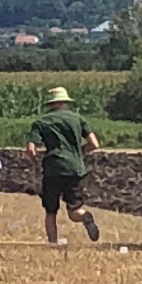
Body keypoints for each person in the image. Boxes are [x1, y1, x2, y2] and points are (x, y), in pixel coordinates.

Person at [26, 87, 100, 244]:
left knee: (51, 211)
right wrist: (80, 152)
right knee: (74, 211)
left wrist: (34, 162)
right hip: (74, 168)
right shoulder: (78, 119)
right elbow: (94, 143)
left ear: (51, 104)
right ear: (65, 103)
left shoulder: (41, 122)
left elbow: (31, 149)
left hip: (53, 169)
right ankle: (85, 216)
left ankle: (53, 244)